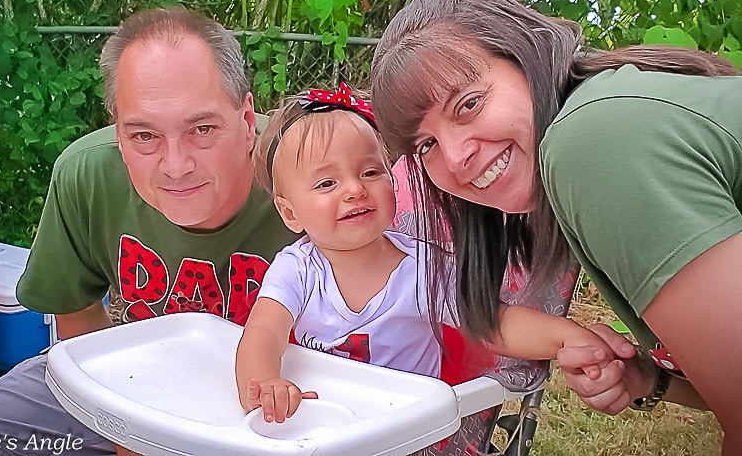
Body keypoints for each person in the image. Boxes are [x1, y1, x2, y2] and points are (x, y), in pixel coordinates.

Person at [369, 0, 741, 454]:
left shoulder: (593, 144)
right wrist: (653, 380)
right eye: (427, 145)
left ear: (527, 57)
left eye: (468, 104)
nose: (457, 157)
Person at [0, 7, 298, 456]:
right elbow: (80, 324)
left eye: (202, 129)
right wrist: (125, 429)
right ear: (117, 129)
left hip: (282, 394)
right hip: (134, 377)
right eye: (144, 136)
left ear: (247, 120)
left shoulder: (311, 171)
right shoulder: (88, 174)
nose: (176, 166)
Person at [234, 83, 614, 424]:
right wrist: (265, 383)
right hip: (324, 423)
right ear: (289, 213)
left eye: (370, 172)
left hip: (407, 430)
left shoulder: (423, 268)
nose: (354, 190)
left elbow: (492, 324)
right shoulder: (297, 269)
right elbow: (263, 332)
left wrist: (566, 338)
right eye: (327, 183)